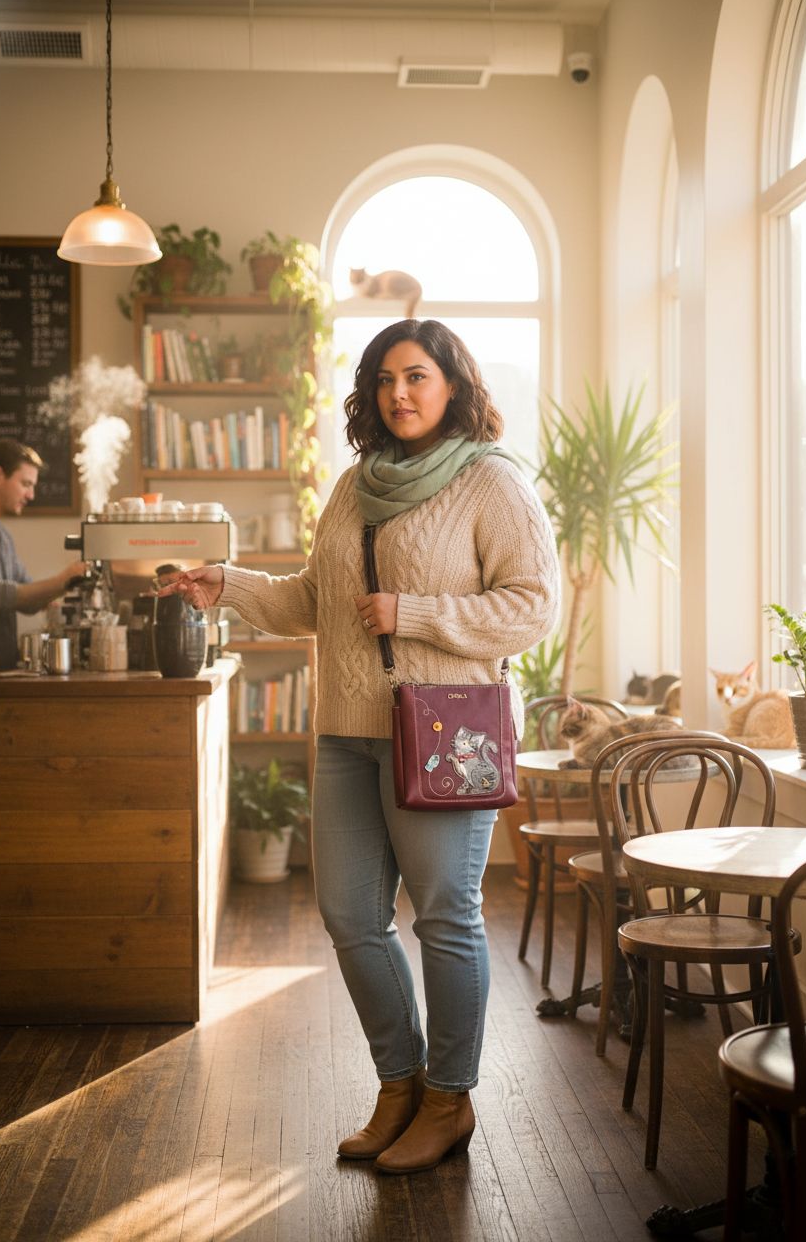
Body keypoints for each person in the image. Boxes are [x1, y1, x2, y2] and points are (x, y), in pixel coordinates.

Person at [159, 319, 561, 1173]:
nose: (399, 393)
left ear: (453, 383)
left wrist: (414, 612)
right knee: (349, 916)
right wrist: (225, 585)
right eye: (383, 379)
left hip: (446, 734)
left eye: (416, 376)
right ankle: (399, 1084)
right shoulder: (354, 485)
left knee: (447, 919)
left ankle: (451, 1100)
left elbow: (532, 606)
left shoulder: (492, 483)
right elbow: (315, 598)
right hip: (347, 730)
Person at [0, 437, 87, 672]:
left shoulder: (4, 537)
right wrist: (61, 579)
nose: (31, 495)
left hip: (1, 671)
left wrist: (67, 583)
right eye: (26, 484)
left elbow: (28, 601)